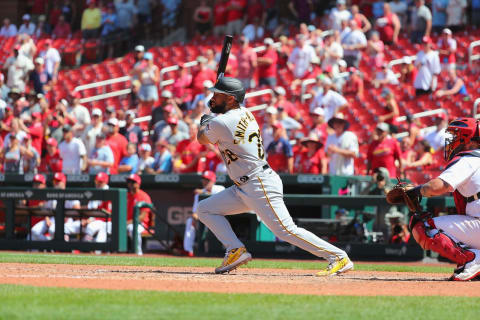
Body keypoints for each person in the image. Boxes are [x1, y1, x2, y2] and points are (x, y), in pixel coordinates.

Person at [196, 76, 353, 275]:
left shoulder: (223, 121)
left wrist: (206, 121)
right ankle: (235, 249)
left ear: (231, 99)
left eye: (218, 95)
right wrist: (214, 116)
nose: (213, 99)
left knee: (285, 230)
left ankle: (338, 256)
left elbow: (202, 138)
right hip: (244, 185)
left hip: (257, 182)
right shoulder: (244, 112)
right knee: (205, 209)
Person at [406, 118, 480, 281]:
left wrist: (416, 191)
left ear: (468, 140)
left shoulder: (469, 159)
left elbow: (437, 187)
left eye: (456, 136)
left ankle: (472, 259)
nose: (452, 141)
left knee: (422, 225)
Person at [184, 170, 225, 256]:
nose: (204, 182)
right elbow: (195, 211)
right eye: (203, 179)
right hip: (204, 217)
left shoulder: (219, 188)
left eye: (207, 180)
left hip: (219, 216)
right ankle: (188, 250)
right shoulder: (199, 194)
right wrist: (194, 218)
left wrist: (203, 192)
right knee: (190, 221)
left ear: (213, 181)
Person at [126, 174, 152, 255]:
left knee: (133, 228)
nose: (130, 184)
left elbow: (141, 217)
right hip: (127, 223)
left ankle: (138, 253)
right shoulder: (127, 195)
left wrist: (125, 223)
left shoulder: (144, 196)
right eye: (128, 182)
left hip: (141, 224)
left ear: (138, 183)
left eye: (132, 182)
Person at [83, 172, 112, 244]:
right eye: (97, 181)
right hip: (95, 220)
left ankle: (89, 248)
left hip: (107, 221)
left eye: (100, 182)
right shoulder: (94, 192)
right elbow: (89, 209)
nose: (98, 183)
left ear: (105, 182)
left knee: (91, 227)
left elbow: (107, 214)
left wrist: (92, 219)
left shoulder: (109, 193)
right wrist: (87, 219)